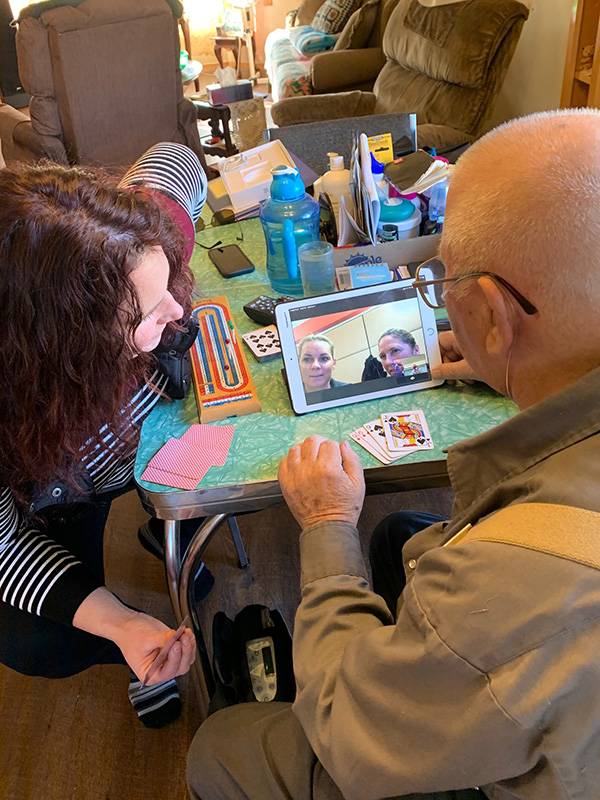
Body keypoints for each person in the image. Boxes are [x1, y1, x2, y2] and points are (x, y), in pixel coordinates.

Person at [187, 108, 600, 799]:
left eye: (444, 284)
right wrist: (517, 370)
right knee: (405, 538)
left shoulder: (512, 587)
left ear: (494, 317)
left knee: (219, 749)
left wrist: (323, 530)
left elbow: (350, 733)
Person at [0, 142, 207, 729]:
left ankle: (171, 536)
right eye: (146, 314)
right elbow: (4, 547)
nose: (176, 312)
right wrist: (121, 625)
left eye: (171, 283)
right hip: (57, 492)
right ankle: (129, 648)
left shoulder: (139, 239)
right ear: (64, 349)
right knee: (41, 639)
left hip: (153, 433)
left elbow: (176, 158)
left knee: (199, 480)